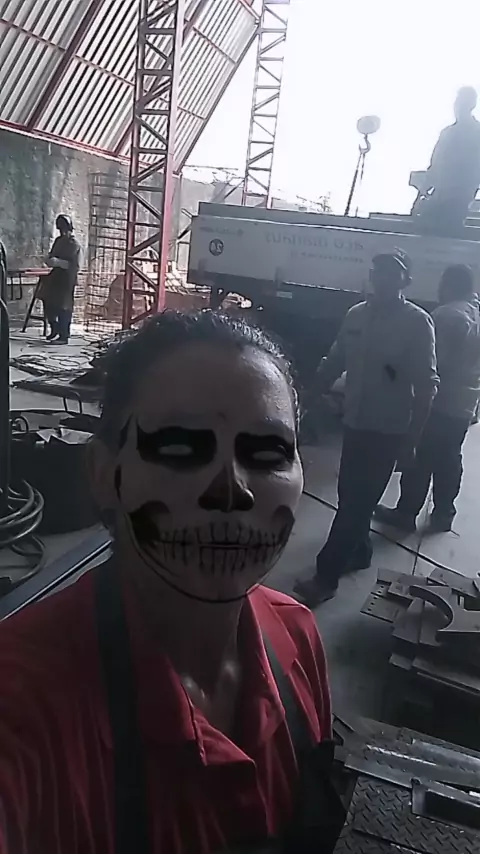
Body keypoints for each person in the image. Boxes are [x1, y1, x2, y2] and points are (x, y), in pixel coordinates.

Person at [0, 311, 334, 854]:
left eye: (268, 453)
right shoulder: (19, 707)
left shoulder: (297, 635)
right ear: (102, 475)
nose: (230, 491)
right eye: (179, 448)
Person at [295, 251, 438, 608]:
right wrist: (306, 397)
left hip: (389, 431)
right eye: (379, 272)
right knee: (349, 496)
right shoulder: (355, 315)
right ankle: (360, 552)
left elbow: (427, 386)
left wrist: (412, 440)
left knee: (357, 504)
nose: (383, 278)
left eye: (393, 273)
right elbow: (335, 359)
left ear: (406, 281)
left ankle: (325, 577)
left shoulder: (417, 323)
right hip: (355, 424)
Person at [376, 264, 480, 533]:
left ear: (449, 284)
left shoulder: (447, 316)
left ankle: (405, 513)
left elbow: (429, 363)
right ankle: (444, 514)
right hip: (465, 404)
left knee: (420, 457)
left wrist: (392, 373)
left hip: (439, 402)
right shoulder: (475, 313)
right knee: (449, 459)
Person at [416, 87, 480, 232]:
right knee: (424, 226)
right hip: (439, 195)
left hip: (459, 199)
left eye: (462, 102)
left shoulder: (477, 133)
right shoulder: (447, 133)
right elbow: (434, 166)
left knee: (447, 230)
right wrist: (420, 195)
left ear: (471, 105)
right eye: (457, 102)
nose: (458, 106)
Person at [42, 214, 80, 344]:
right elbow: (52, 254)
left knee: (64, 307)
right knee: (50, 304)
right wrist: (49, 260)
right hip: (56, 276)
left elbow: (73, 264)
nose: (63, 233)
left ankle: (64, 336)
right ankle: (55, 329)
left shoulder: (73, 244)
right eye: (61, 230)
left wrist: (59, 262)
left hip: (67, 278)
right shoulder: (58, 241)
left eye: (64, 230)